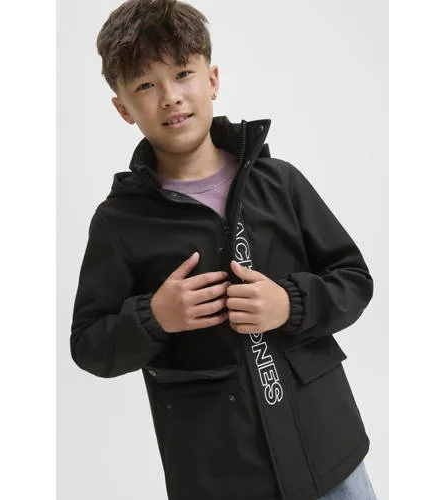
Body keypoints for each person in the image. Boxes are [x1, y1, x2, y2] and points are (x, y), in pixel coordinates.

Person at [70, 1, 378, 499]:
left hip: (328, 454)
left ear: (212, 80)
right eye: (145, 85)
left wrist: (290, 304)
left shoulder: (279, 183)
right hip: (220, 475)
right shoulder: (120, 222)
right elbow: (88, 344)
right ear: (123, 108)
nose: (170, 97)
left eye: (182, 74)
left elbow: (353, 279)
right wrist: (155, 317)